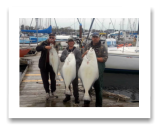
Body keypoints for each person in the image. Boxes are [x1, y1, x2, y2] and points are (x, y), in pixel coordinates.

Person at [81, 32, 108, 107]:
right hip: (88, 70)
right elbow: (82, 56)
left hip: (98, 71)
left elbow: (105, 58)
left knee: (98, 88)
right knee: (87, 86)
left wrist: (94, 59)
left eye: (96, 37)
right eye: (93, 37)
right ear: (92, 38)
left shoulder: (102, 47)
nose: (95, 38)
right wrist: (85, 53)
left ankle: (98, 105)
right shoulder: (87, 46)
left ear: (99, 38)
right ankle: (86, 102)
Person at [36, 33, 58, 100]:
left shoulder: (56, 44)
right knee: (45, 79)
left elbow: (57, 51)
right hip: (44, 64)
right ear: (48, 37)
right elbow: (37, 48)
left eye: (53, 37)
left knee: (53, 79)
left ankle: (53, 91)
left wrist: (53, 45)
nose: (51, 38)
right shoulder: (44, 43)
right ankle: (47, 92)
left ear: (55, 38)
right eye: (50, 37)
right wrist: (44, 47)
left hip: (53, 64)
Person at [60, 38, 82, 104]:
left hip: (74, 70)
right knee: (67, 83)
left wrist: (72, 61)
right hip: (66, 70)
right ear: (68, 43)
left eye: (72, 41)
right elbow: (61, 58)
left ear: (74, 42)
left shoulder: (77, 51)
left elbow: (79, 59)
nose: (71, 43)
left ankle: (76, 97)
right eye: (69, 41)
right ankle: (67, 96)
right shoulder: (65, 51)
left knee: (75, 84)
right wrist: (67, 58)